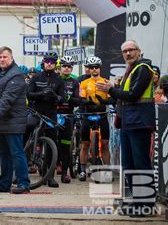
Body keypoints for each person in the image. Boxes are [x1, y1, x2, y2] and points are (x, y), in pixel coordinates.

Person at [96, 40, 156, 217]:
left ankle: (146, 205)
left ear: (139, 51)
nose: (128, 54)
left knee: (140, 165)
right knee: (129, 165)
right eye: (125, 51)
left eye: (131, 50)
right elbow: (121, 97)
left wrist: (111, 90)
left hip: (139, 123)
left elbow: (133, 95)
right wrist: (110, 92)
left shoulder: (143, 68)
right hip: (128, 123)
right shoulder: (131, 71)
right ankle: (135, 203)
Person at [0, 46, 30, 194]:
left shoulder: (16, 75)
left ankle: (24, 183)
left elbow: (7, 99)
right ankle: (4, 183)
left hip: (12, 121)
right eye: (0, 57)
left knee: (16, 153)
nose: (2, 59)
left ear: (11, 58)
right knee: (3, 154)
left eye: (5, 57)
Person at [26, 50, 64, 188]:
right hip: (36, 111)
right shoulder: (36, 77)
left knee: (52, 142)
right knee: (27, 129)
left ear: (55, 64)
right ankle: (22, 169)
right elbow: (28, 94)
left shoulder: (58, 80)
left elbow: (62, 99)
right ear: (44, 62)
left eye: (52, 62)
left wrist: (55, 96)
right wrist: (41, 94)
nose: (49, 64)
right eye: (47, 61)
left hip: (50, 114)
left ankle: (50, 176)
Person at [78, 56, 113, 182]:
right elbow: (81, 98)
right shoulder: (83, 83)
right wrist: (86, 102)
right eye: (91, 67)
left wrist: (105, 101)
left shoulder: (106, 82)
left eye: (96, 67)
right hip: (88, 114)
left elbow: (112, 97)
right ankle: (82, 170)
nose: (94, 70)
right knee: (85, 144)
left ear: (100, 68)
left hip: (102, 113)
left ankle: (108, 170)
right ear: (88, 69)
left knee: (105, 144)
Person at [56, 55, 81, 183]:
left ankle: (64, 173)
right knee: (54, 143)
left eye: (69, 66)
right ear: (60, 67)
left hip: (68, 115)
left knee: (65, 146)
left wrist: (69, 98)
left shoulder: (75, 82)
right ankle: (51, 168)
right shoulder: (55, 79)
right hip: (55, 114)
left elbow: (78, 101)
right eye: (64, 66)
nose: (66, 68)